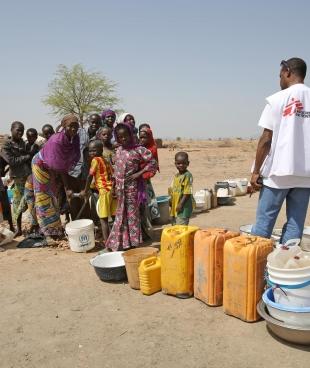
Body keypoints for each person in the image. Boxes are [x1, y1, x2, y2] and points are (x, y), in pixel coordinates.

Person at [251, 58, 310, 244]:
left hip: (277, 176)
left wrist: (255, 172)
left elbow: (266, 139)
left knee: (263, 225)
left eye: (280, 75)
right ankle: (284, 267)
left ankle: (257, 268)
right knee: (295, 226)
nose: (280, 80)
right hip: (305, 176)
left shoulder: (276, 99)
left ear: (288, 72)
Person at [105, 123, 157, 251]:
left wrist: (138, 174)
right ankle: (122, 241)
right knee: (120, 214)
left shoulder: (138, 150)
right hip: (119, 188)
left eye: (125, 136)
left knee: (132, 214)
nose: (123, 139)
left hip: (132, 187)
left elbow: (153, 162)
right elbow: (115, 170)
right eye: (120, 137)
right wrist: (113, 187)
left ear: (130, 135)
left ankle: (133, 242)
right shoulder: (118, 150)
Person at [29, 114, 80, 237]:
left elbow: (63, 165)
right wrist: (67, 187)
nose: (73, 129)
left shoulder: (73, 138)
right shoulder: (57, 140)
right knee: (43, 197)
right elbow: (61, 168)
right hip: (40, 166)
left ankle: (55, 227)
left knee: (53, 196)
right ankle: (47, 231)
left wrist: (66, 187)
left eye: (76, 126)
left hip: (52, 168)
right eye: (70, 126)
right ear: (64, 126)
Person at [0, 121, 34, 236]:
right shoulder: (6, 145)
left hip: (29, 175)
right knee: (17, 203)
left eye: (22, 130)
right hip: (18, 178)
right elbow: (11, 161)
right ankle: (19, 229)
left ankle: (34, 226)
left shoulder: (24, 143)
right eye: (18, 130)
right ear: (11, 129)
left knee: (31, 201)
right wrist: (27, 156)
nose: (20, 132)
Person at [80, 140, 116, 246]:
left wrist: (85, 190)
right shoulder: (106, 160)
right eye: (90, 151)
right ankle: (116, 240)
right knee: (114, 218)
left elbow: (90, 175)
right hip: (111, 190)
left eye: (94, 150)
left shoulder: (95, 160)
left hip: (104, 191)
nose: (91, 153)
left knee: (103, 219)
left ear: (101, 150)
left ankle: (107, 245)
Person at [139, 128, 160, 224]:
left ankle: (154, 218)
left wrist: (148, 173)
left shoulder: (153, 148)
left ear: (149, 137)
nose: (142, 139)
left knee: (150, 198)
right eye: (141, 137)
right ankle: (146, 220)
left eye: (144, 137)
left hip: (146, 177)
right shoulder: (138, 148)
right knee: (142, 200)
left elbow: (154, 163)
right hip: (138, 177)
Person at [169, 151, 194, 225]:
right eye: (178, 163)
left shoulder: (187, 175)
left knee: (181, 228)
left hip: (183, 207)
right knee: (175, 227)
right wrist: (170, 199)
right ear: (175, 164)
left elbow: (187, 192)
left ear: (188, 163)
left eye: (184, 163)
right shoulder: (176, 176)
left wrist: (180, 204)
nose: (181, 165)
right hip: (175, 206)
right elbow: (172, 189)